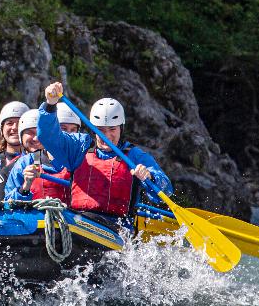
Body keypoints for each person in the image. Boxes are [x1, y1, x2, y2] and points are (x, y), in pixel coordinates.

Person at [35, 81, 172, 224]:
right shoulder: (79, 147)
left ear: (121, 129)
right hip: (80, 220)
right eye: (100, 130)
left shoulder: (135, 156)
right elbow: (47, 136)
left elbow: (165, 191)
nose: (106, 135)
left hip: (118, 227)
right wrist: (50, 105)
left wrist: (150, 177)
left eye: (112, 130)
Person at [3, 109, 72, 203]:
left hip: (71, 216)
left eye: (39, 133)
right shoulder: (23, 163)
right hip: (34, 216)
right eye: (30, 133)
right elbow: (7, 204)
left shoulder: (76, 161)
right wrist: (25, 188)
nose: (36, 138)